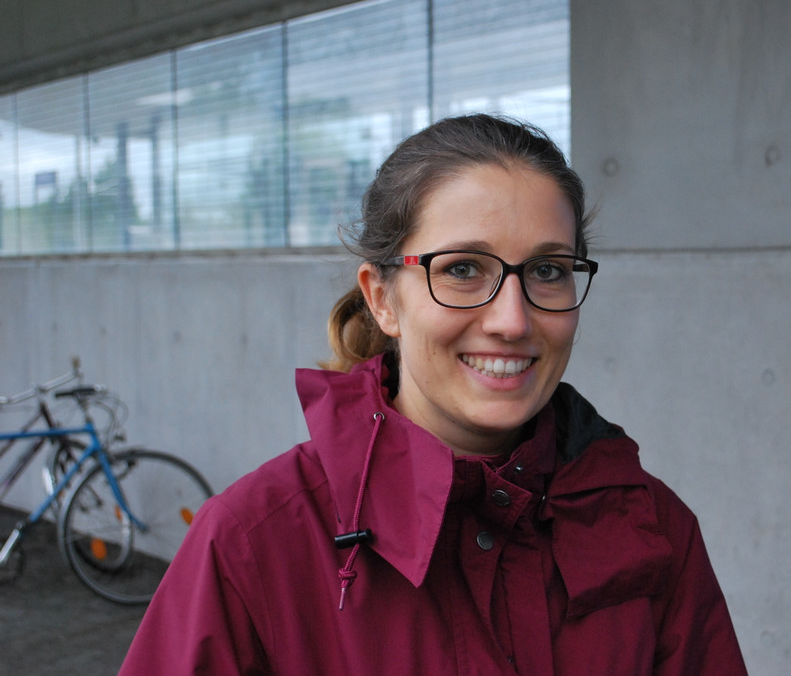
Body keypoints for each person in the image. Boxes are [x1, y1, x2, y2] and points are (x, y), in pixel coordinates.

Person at [119, 113, 747, 675]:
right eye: (463, 269)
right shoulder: (251, 544)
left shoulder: (654, 529)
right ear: (383, 299)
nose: (512, 320)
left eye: (547, 270)